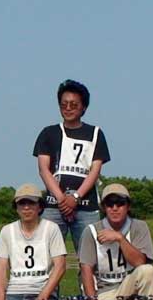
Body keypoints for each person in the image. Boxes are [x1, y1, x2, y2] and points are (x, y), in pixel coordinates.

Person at [33, 80, 110, 252]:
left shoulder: (96, 133)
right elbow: (43, 169)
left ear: (83, 107)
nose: (68, 108)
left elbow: (95, 170)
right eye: (64, 104)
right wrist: (62, 200)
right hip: (54, 205)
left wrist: (75, 197)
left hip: (86, 206)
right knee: (46, 254)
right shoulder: (48, 133)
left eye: (74, 105)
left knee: (90, 255)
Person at [0, 184, 67, 300]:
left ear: (40, 207)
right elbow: (1, 267)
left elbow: (60, 266)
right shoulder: (7, 231)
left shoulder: (51, 228)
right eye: (22, 203)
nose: (26, 208)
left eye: (31, 203)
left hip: (41, 291)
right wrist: (0, 298)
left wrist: (44, 294)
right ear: (16, 208)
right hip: (14, 293)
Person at [78, 183, 153, 300]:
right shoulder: (91, 231)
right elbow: (86, 269)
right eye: (110, 204)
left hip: (128, 290)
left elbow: (140, 262)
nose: (115, 208)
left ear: (128, 206)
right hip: (102, 293)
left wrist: (120, 238)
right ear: (104, 207)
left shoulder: (139, 227)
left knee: (148, 271)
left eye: (120, 203)